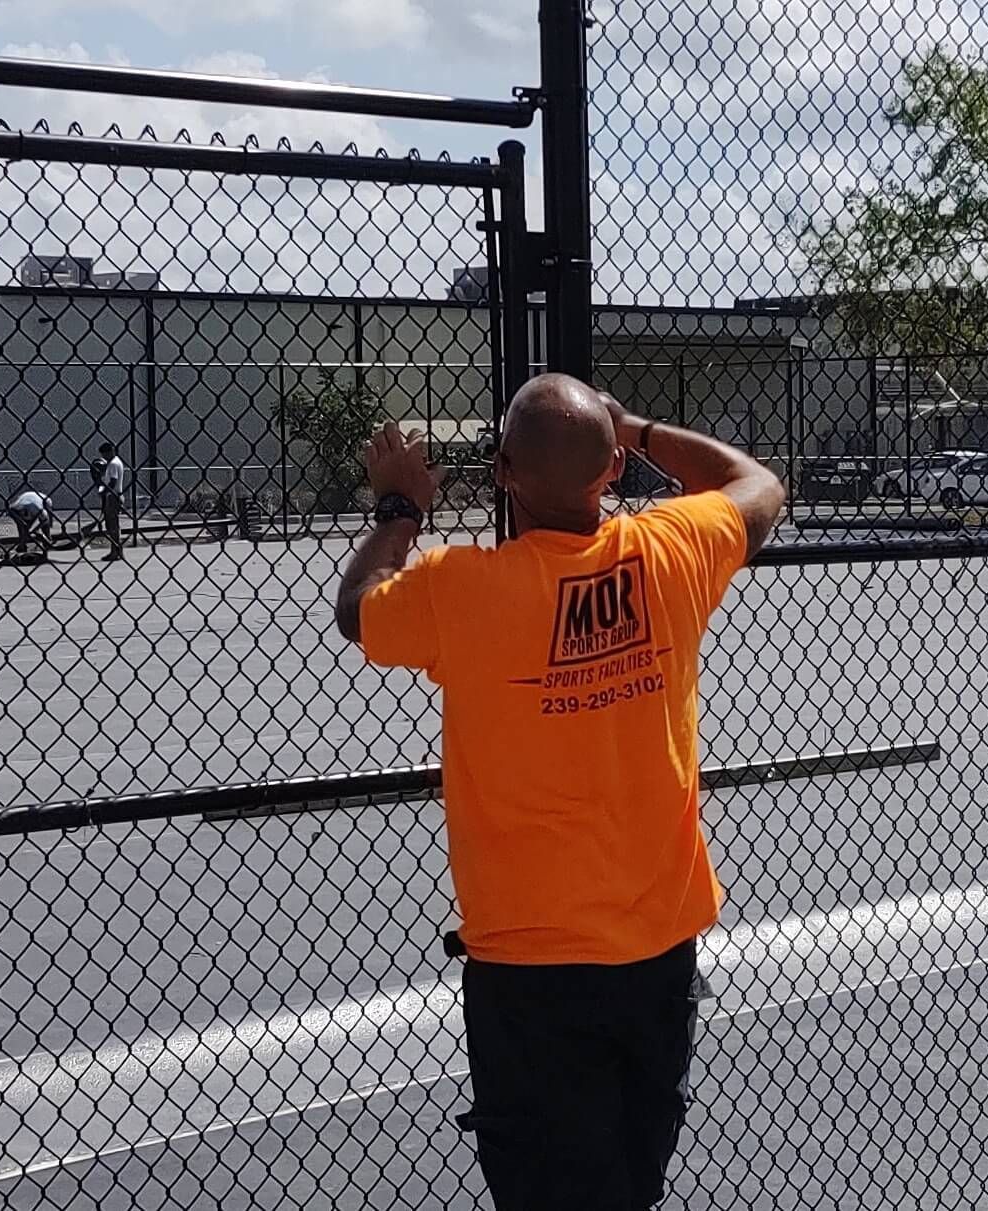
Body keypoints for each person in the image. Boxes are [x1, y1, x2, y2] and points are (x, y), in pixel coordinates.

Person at [335, 374, 784, 1210]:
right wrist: (638, 426)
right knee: (631, 1174)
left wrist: (399, 508)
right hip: (656, 949)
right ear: (610, 470)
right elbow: (756, 484)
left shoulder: (461, 587)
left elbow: (358, 610)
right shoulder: (671, 550)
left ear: (502, 471)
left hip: (529, 970)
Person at [95, 440, 125, 561]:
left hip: (113, 496)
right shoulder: (117, 462)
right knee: (114, 525)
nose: (103, 457)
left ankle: (115, 552)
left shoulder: (113, 464)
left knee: (111, 525)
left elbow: (112, 481)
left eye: (104, 454)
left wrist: (104, 492)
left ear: (109, 452)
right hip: (116, 495)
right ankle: (117, 551)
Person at [6, 487, 53, 557]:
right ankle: (22, 545)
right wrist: (22, 523)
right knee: (22, 527)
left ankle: (47, 540)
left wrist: (36, 529)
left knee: (45, 526)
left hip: (44, 500)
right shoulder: (15, 508)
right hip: (26, 499)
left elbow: (45, 519)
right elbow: (11, 512)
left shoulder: (37, 508)